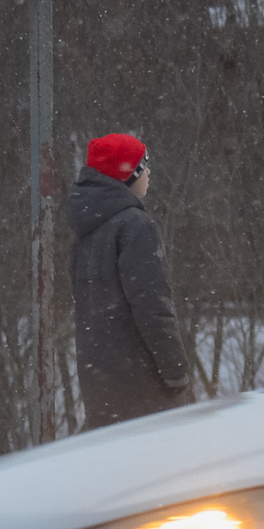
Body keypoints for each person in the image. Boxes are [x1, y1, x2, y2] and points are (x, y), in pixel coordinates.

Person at [68, 132, 193, 427]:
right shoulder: (135, 226)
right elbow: (153, 306)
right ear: (127, 174)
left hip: (100, 386)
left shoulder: (85, 233)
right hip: (145, 388)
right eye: (143, 166)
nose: (148, 173)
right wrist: (176, 372)